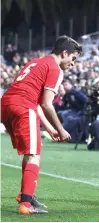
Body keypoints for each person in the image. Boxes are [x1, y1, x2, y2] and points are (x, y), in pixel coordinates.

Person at [1, 35, 82, 214]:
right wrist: (61, 129)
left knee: (32, 151)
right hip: (23, 106)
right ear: (64, 53)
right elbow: (46, 103)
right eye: (73, 59)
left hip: (7, 104)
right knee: (34, 154)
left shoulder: (36, 62)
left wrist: (50, 128)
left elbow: (37, 103)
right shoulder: (55, 68)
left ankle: (26, 194)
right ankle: (26, 205)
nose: (73, 63)